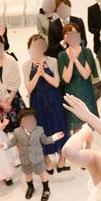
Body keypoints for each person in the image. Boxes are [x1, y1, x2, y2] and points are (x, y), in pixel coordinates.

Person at [22, 35, 70, 173]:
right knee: (41, 130)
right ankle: (47, 160)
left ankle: (62, 159)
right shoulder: (26, 65)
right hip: (37, 101)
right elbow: (29, 88)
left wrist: (44, 74)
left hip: (53, 99)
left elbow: (56, 83)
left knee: (59, 127)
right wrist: (37, 74)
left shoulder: (52, 61)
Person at [0, 108, 65, 201]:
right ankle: (30, 187)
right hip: (25, 159)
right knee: (28, 175)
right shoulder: (17, 132)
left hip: (38, 159)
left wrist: (54, 137)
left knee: (42, 174)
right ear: (21, 122)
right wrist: (5, 145)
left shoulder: (39, 130)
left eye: (32, 120)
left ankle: (46, 188)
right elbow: (13, 142)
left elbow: (45, 140)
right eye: (26, 120)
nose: (29, 122)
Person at [58, 23, 99, 135]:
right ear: (64, 37)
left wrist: (76, 59)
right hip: (72, 95)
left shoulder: (87, 52)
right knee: (76, 130)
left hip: (86, 93)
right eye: (68, 34)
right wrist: (71, 61)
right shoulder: (61, 55)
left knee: (89, 127)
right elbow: (66, 79)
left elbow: (85, 74)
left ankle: (88, 145)